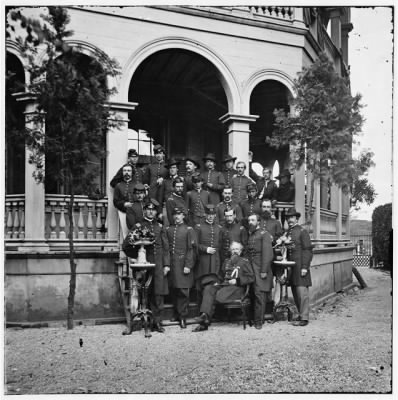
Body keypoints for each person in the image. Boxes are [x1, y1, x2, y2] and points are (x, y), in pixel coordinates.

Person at [122, 199, 168, 333]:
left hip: (158, 265)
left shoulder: (160, 227)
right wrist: (137, 256)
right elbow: (126, 245)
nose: (151, 212)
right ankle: (144, 321)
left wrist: (166, 265)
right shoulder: (138, 226)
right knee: (144, 292)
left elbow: (165, 248)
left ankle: (157, 322)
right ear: (145, 211)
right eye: (148, 209)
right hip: (144, 265)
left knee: (158, 293)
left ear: (156, 212)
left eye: (153, 210)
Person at [193, 242, 255, 332]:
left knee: (216, 296)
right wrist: (216, 282)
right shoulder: (226, 261)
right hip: (225, 286)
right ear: (230, 251)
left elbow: (251, 277)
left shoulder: (244, 262)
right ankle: (204, 317)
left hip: (237, 288)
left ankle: (206, 319)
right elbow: (221, 276)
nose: (235, 251)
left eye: (237, 249)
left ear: (241, 251)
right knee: (208, 289)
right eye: (233, 249)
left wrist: (237, 281)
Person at [162, 207, 196, 329]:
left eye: (179, 214)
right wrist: (166, 264)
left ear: (183, 216)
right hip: (172, 264)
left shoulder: (188, 230)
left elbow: (191, 250)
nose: (177, 217)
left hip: (183, 265)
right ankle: (177, 314)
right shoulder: (168, 229)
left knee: (183, 291)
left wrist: (188, 265)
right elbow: (166, 249)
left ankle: (183, 317)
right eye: (175, 214)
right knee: (175, 290)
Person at [284, 207, 313, 327]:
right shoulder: (288, 232)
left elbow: (307, 250)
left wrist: (305, 267)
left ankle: (304, 317)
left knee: (302, 292)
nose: (290, 220)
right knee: (296, 292)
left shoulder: (302, 231)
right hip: (292, 267)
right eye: (288, 218)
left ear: (296, 218)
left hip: (300, 266)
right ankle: (301, 315)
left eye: (292, 217)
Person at [245, 213, 274, 329]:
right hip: (252, 268)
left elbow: (268, 254)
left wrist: (264, 270)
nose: (250, 222)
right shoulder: (251, 234)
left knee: (259, 295)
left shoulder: (264, 234)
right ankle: (253, 318)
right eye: (249, 220)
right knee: (253, 293)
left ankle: (259, 321)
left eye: (252, 220)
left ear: (258, 222)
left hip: (260, 269)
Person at [194, 204, 223, 306]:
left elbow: (220, 244)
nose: (210, 217)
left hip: (215, 260)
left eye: (213, 214)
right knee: (201, 285)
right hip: (203, 261)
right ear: (205, 214)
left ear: (215, 215)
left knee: (212, 286)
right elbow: (195, 245)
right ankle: (200, 312)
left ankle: (209, 313)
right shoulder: (198, 227)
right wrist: (206, 249)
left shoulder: (219, 228)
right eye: (208, 214)